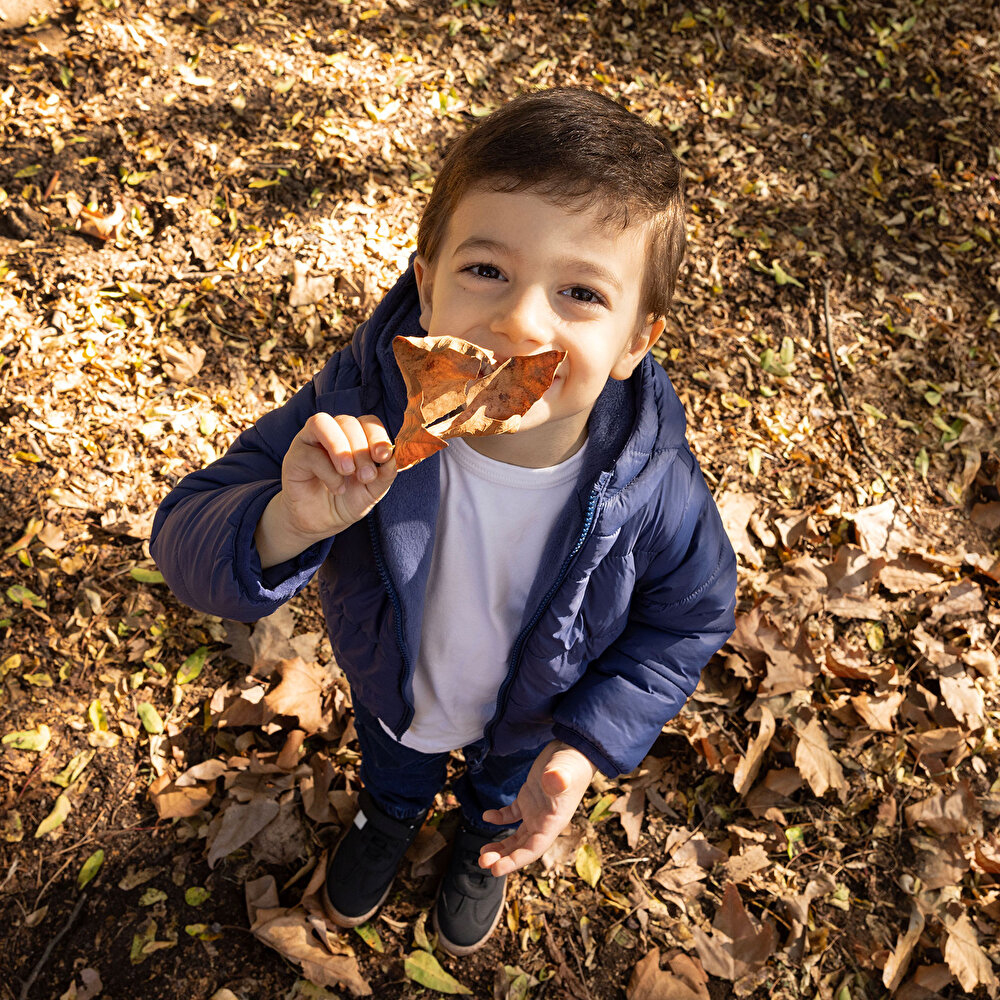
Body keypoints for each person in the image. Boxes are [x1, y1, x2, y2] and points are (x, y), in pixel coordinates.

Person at [150, 87, 737, 957]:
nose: (517, 321)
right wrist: (287, 519)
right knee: (394, 770)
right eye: (487, 270)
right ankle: (387, 821)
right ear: (426, 285)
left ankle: (474, 847)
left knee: (499, 790)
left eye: (580, 291)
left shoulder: (655, 491)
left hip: (528, 725)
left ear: (635, 345)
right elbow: (185, 535)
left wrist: (582, 749)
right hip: (396, 695)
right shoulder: (357, 412)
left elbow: (688, 619)